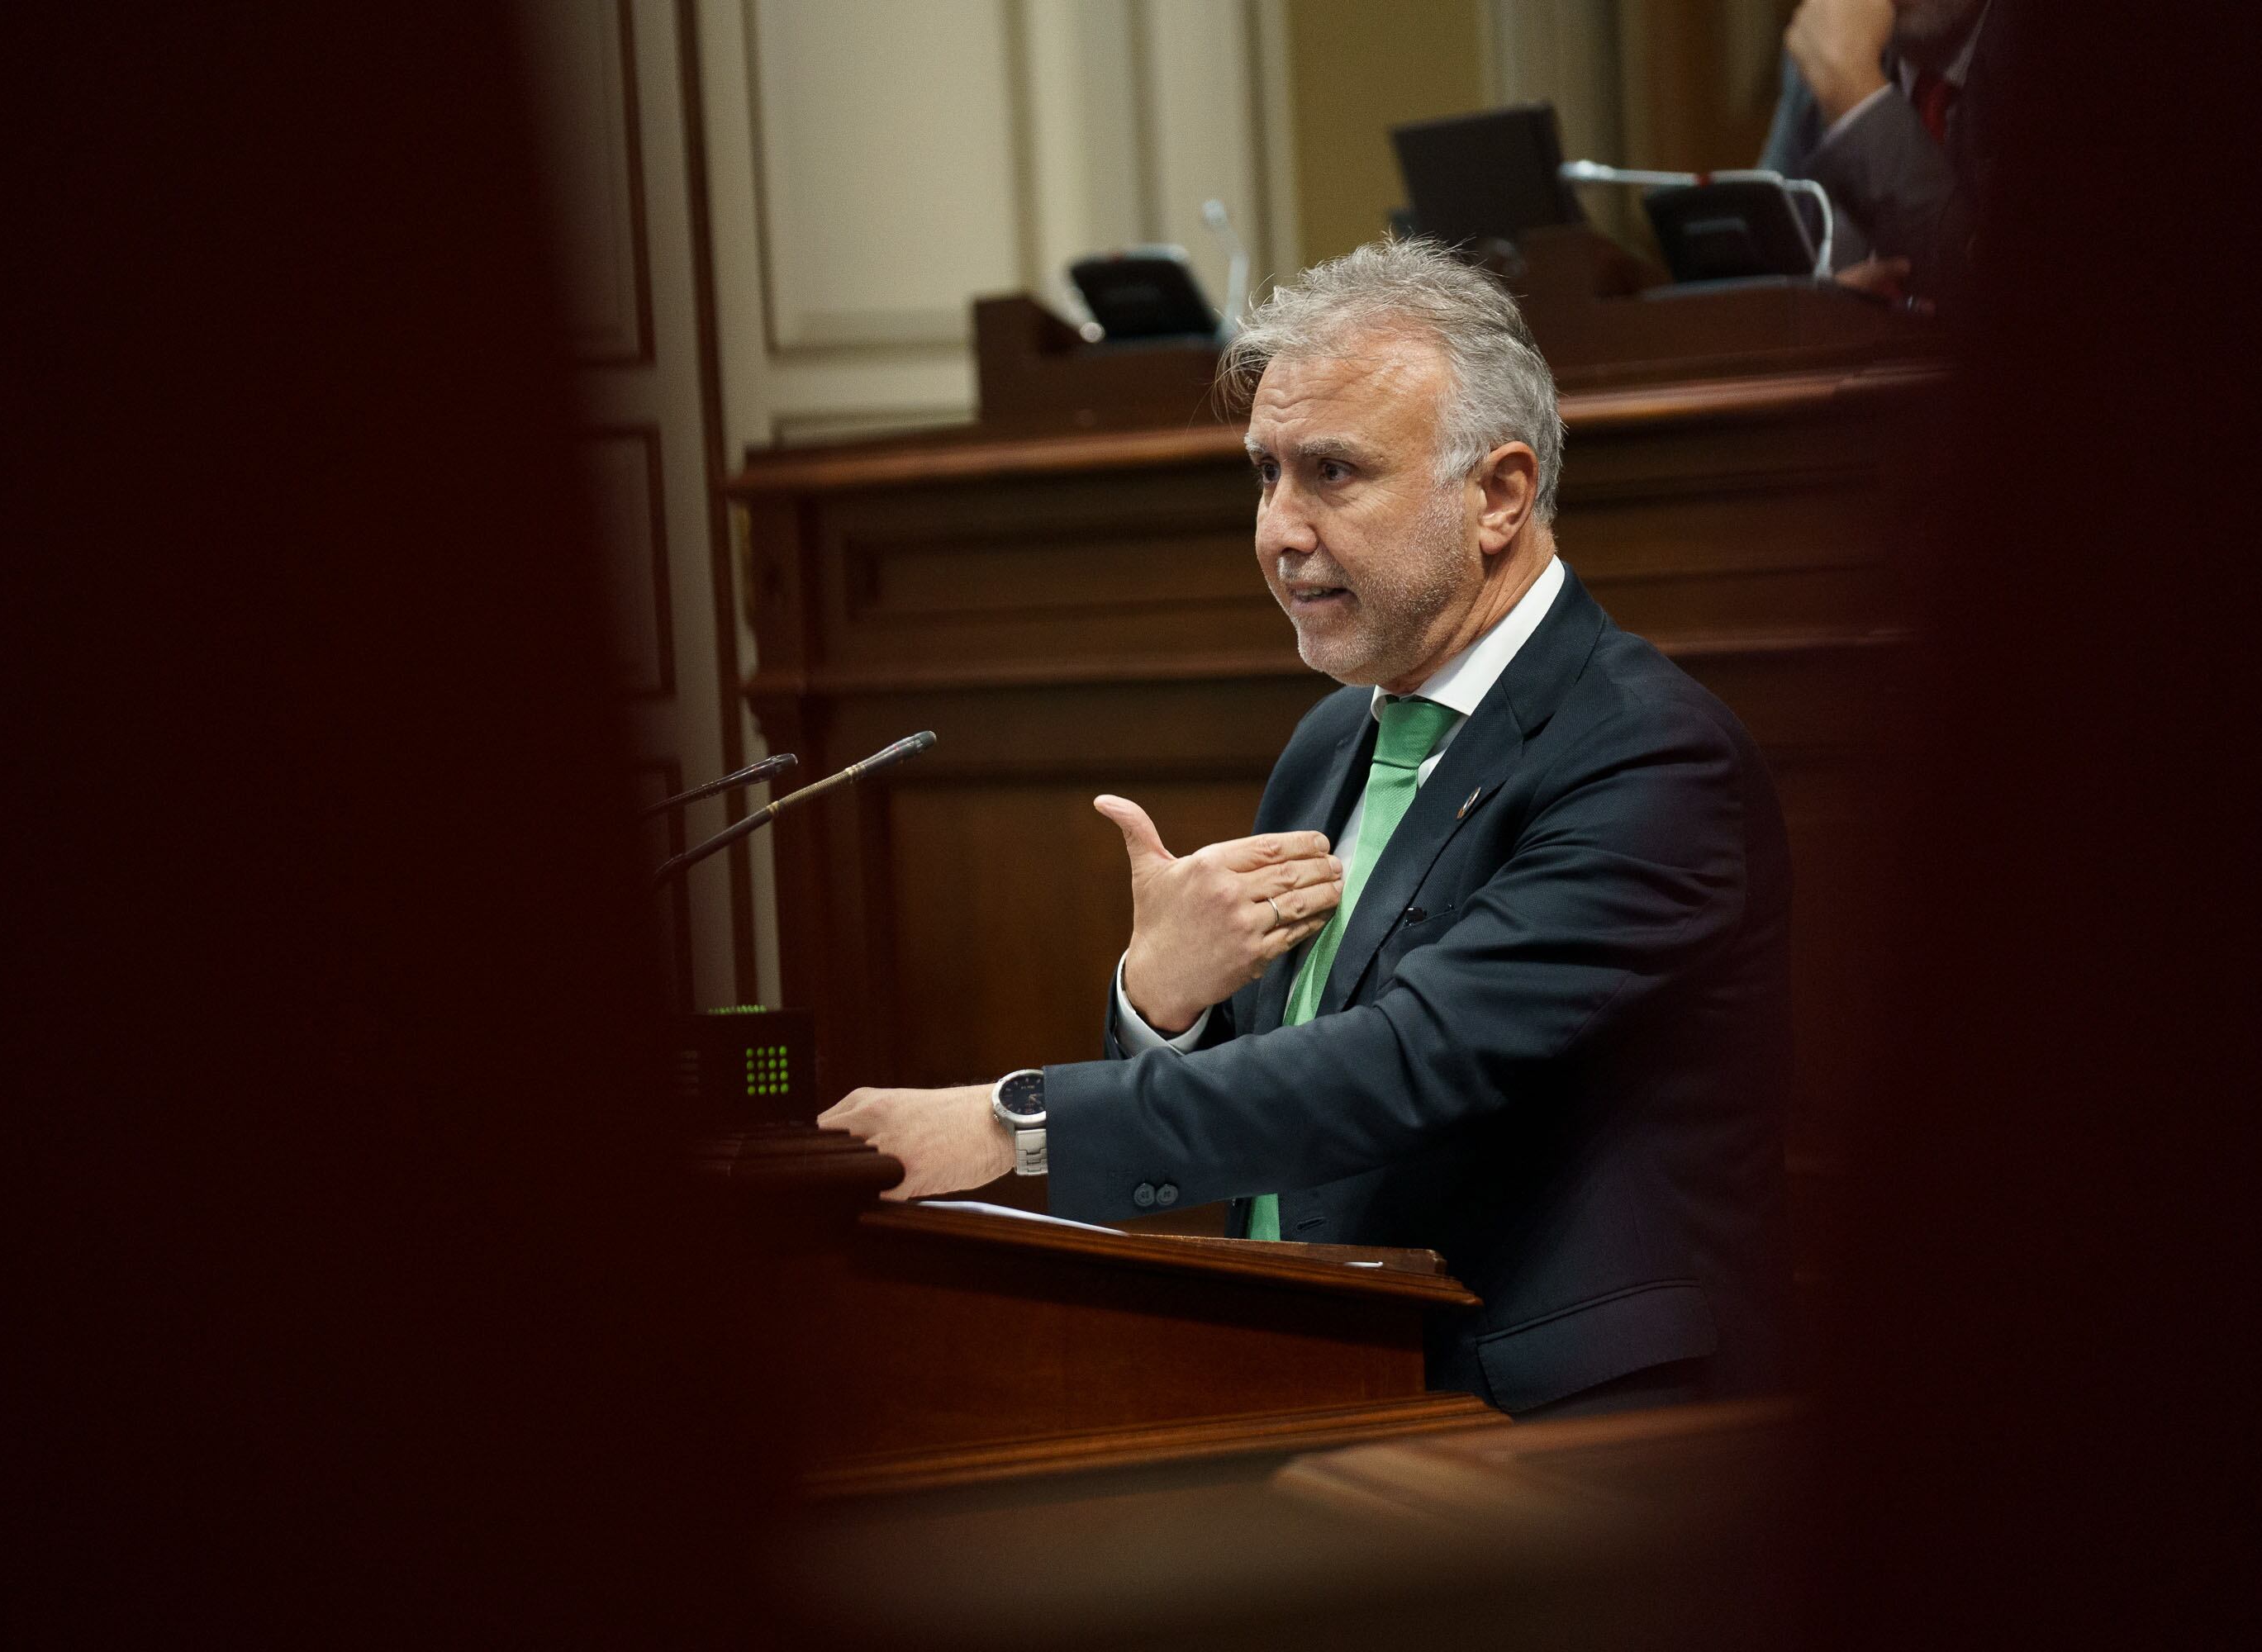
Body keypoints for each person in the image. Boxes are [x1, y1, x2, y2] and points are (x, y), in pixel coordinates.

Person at [818, 239, 1793, 1417]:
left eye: (1332, 474)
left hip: (1556, 1429)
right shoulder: (1333, 741)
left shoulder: (1649, 754)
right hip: (1319, 1377)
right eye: (1265, 473)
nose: (1280, 531)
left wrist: (1009, 1122)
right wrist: (1161, 1005)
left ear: (1498, 494)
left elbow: (1401, 1066)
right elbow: (1252, 1096)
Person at [1761, 0, 2004, 303]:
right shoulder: (1826, 49)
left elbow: (2009, 309)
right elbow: (1759, 296)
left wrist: (1859, 101)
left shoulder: (2059, 56)